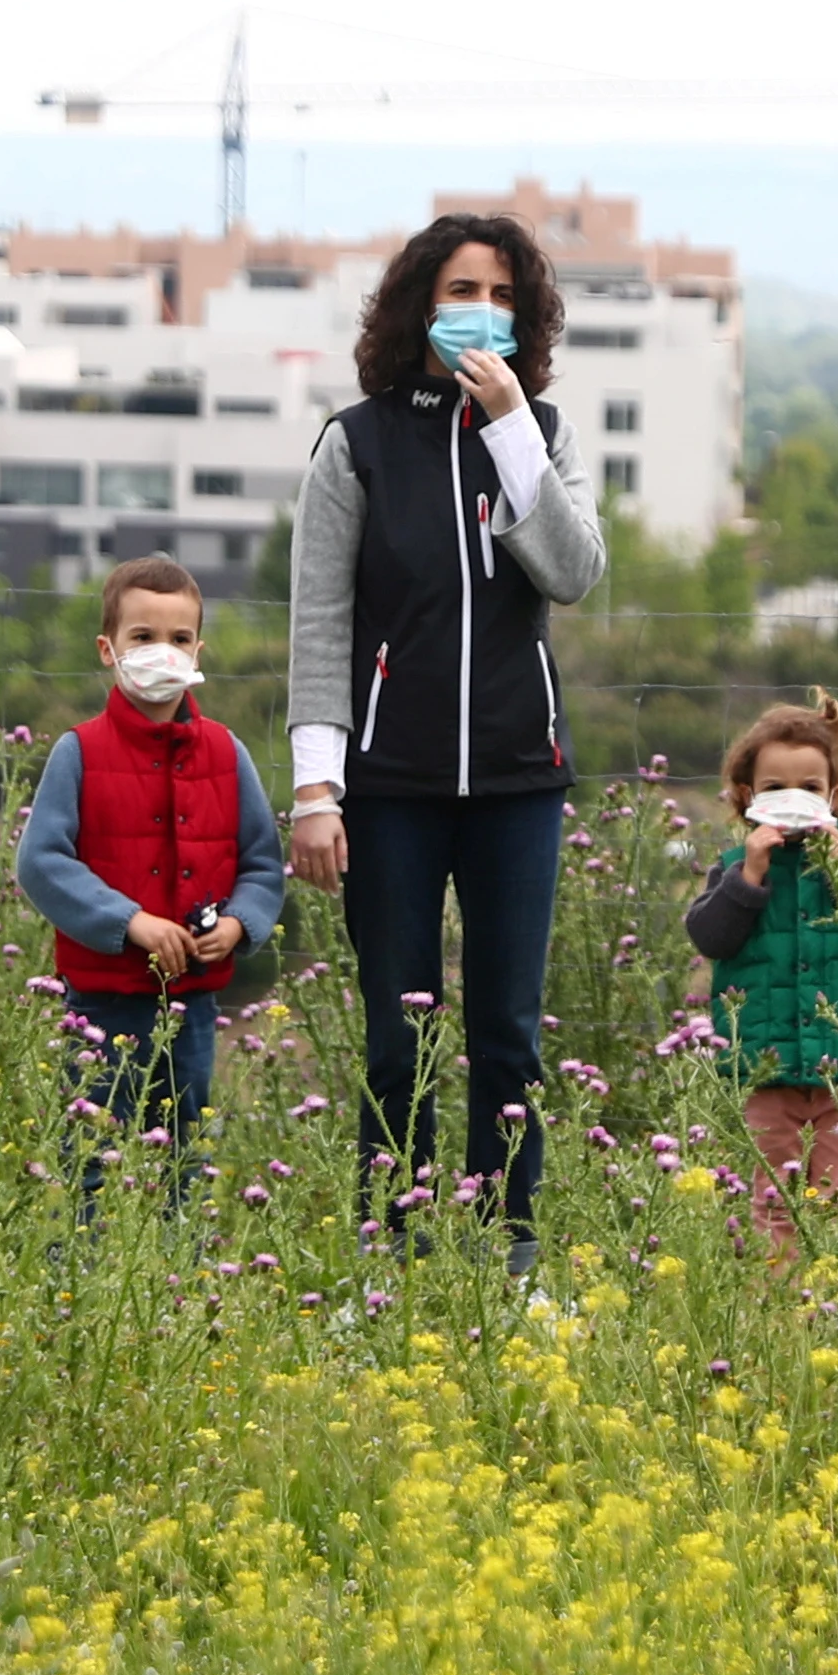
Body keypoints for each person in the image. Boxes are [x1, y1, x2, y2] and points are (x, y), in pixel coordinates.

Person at [284, 208, 608, 1289]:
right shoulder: (358, 443)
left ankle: (511, 1254)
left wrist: (514, 430)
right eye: (465, 289)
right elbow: (321, 624)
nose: (484, 311)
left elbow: (571, 571)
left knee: (507, 1032)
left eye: (506, 294)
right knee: (398, 1034)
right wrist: (315, 788)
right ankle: (391, 1251)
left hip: (518, 778)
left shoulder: (548, 433)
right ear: (422, 300)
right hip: (389, 788)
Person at [15, 555, 289, 1218]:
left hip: (192, 1005)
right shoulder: (78, 752)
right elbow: (42, 862)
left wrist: (239, 925)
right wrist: (129, 922)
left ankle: (174, 1289)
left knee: (184, 1157)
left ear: (200, 649)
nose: (161, 653)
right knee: (92, 1160)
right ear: (109, 649)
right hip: (101, 1000)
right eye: (142, 638)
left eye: (178, 638)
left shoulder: (227, 752)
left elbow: (262, 861)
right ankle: (79, 1284)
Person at [680, 692, 838, 1259]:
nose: (792, 799)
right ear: (747, 796)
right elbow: (710, 938)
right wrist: (749, 875)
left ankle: (835, 1305)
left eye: (808, 788)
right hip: (766, 1069)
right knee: (773, 1202)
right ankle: (777, 1309)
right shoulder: (735, 868)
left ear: (837, 794)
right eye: (776, 788)